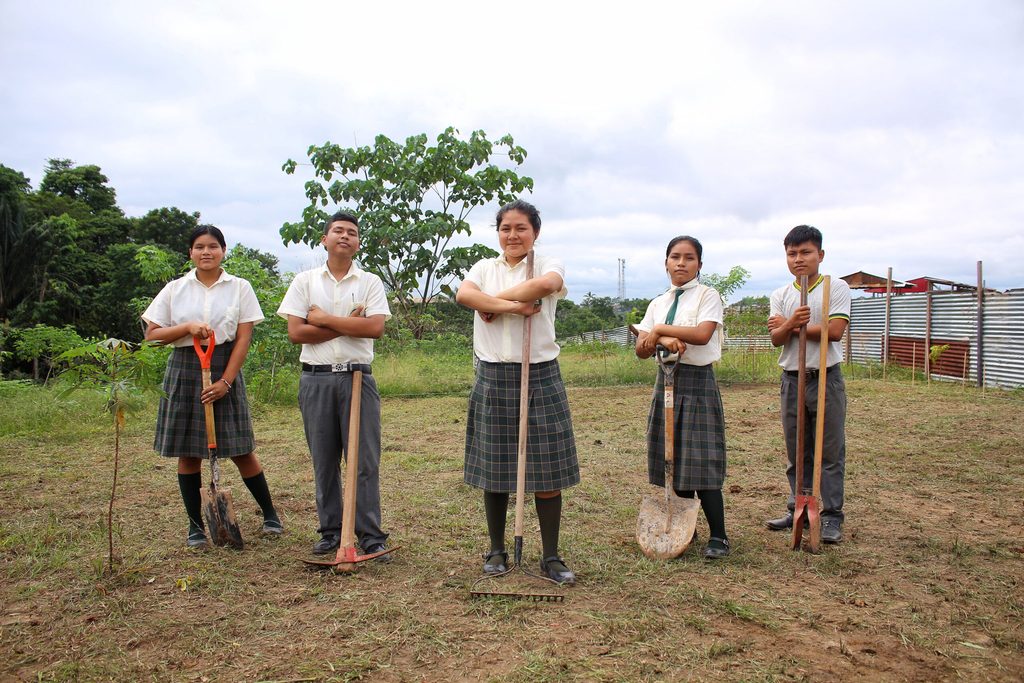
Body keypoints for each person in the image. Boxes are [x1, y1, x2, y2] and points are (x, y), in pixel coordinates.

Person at [455, 199, 580, 584]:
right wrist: (514, 305)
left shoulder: (546, 262)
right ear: (498, 233)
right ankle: (496, 550)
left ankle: (551, 556)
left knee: (547, 470)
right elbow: (465, 296)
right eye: (506, 228)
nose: (512, 235)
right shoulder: (482, 267)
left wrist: (497, 303)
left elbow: (547, 286)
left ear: (535, 233)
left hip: (540, 373)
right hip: (493, 374)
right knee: (495, 468)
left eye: (521, 228)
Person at [143, 225, 282, 549]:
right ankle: (195, 526)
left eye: (213, 246)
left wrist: (225, 381)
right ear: (190, 252)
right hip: (184, 368)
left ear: (223, 250)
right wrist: (188, 327)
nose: (207, 252)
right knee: (188, 453)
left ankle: (270, 514)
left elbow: (244, 337)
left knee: (241, 449)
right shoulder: (175, 289)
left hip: (223, 365)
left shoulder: (240, 287)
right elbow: (152, 335)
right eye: (199, 247)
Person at [276, 210, 393, 559]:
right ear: (324, 239)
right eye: (338, 231)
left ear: (358, 243)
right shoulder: (305, 282)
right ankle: (330, 532)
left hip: (359, 376)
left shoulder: (369, 281)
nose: (345, 236)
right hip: (317, 379)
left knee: (364, 461)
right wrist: (348, 323)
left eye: (352, 233)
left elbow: (374, 329)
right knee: (324, 460)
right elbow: (297, 333)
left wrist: (324, 319)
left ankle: (370, 535)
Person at [634, 235, 730, 559]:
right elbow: (640, 348)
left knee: (702, 459)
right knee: (671, 460)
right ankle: (685, 528)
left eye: (689, 258)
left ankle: (719, 536)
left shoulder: (708, 296)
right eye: (675, 257)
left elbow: (702, 335)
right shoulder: (658, 303)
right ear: (665, 262)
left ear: (699, 265)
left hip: (698, 383)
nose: (681, 263)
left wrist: (660, 331)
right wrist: (655, 338)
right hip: (666, 382)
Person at [765, 225, 851, 543]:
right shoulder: (781, 295)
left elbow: (835, 330)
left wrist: (794, 327)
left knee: (828, 450)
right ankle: (798, 507)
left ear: (820, 255)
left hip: (825, 377)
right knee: (796, 450)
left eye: (805, 252)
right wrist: (791, 324)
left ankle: (830, 516)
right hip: (791, 379)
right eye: (792, 253)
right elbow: (776, 339)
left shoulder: (834, 288)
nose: (798, 259)